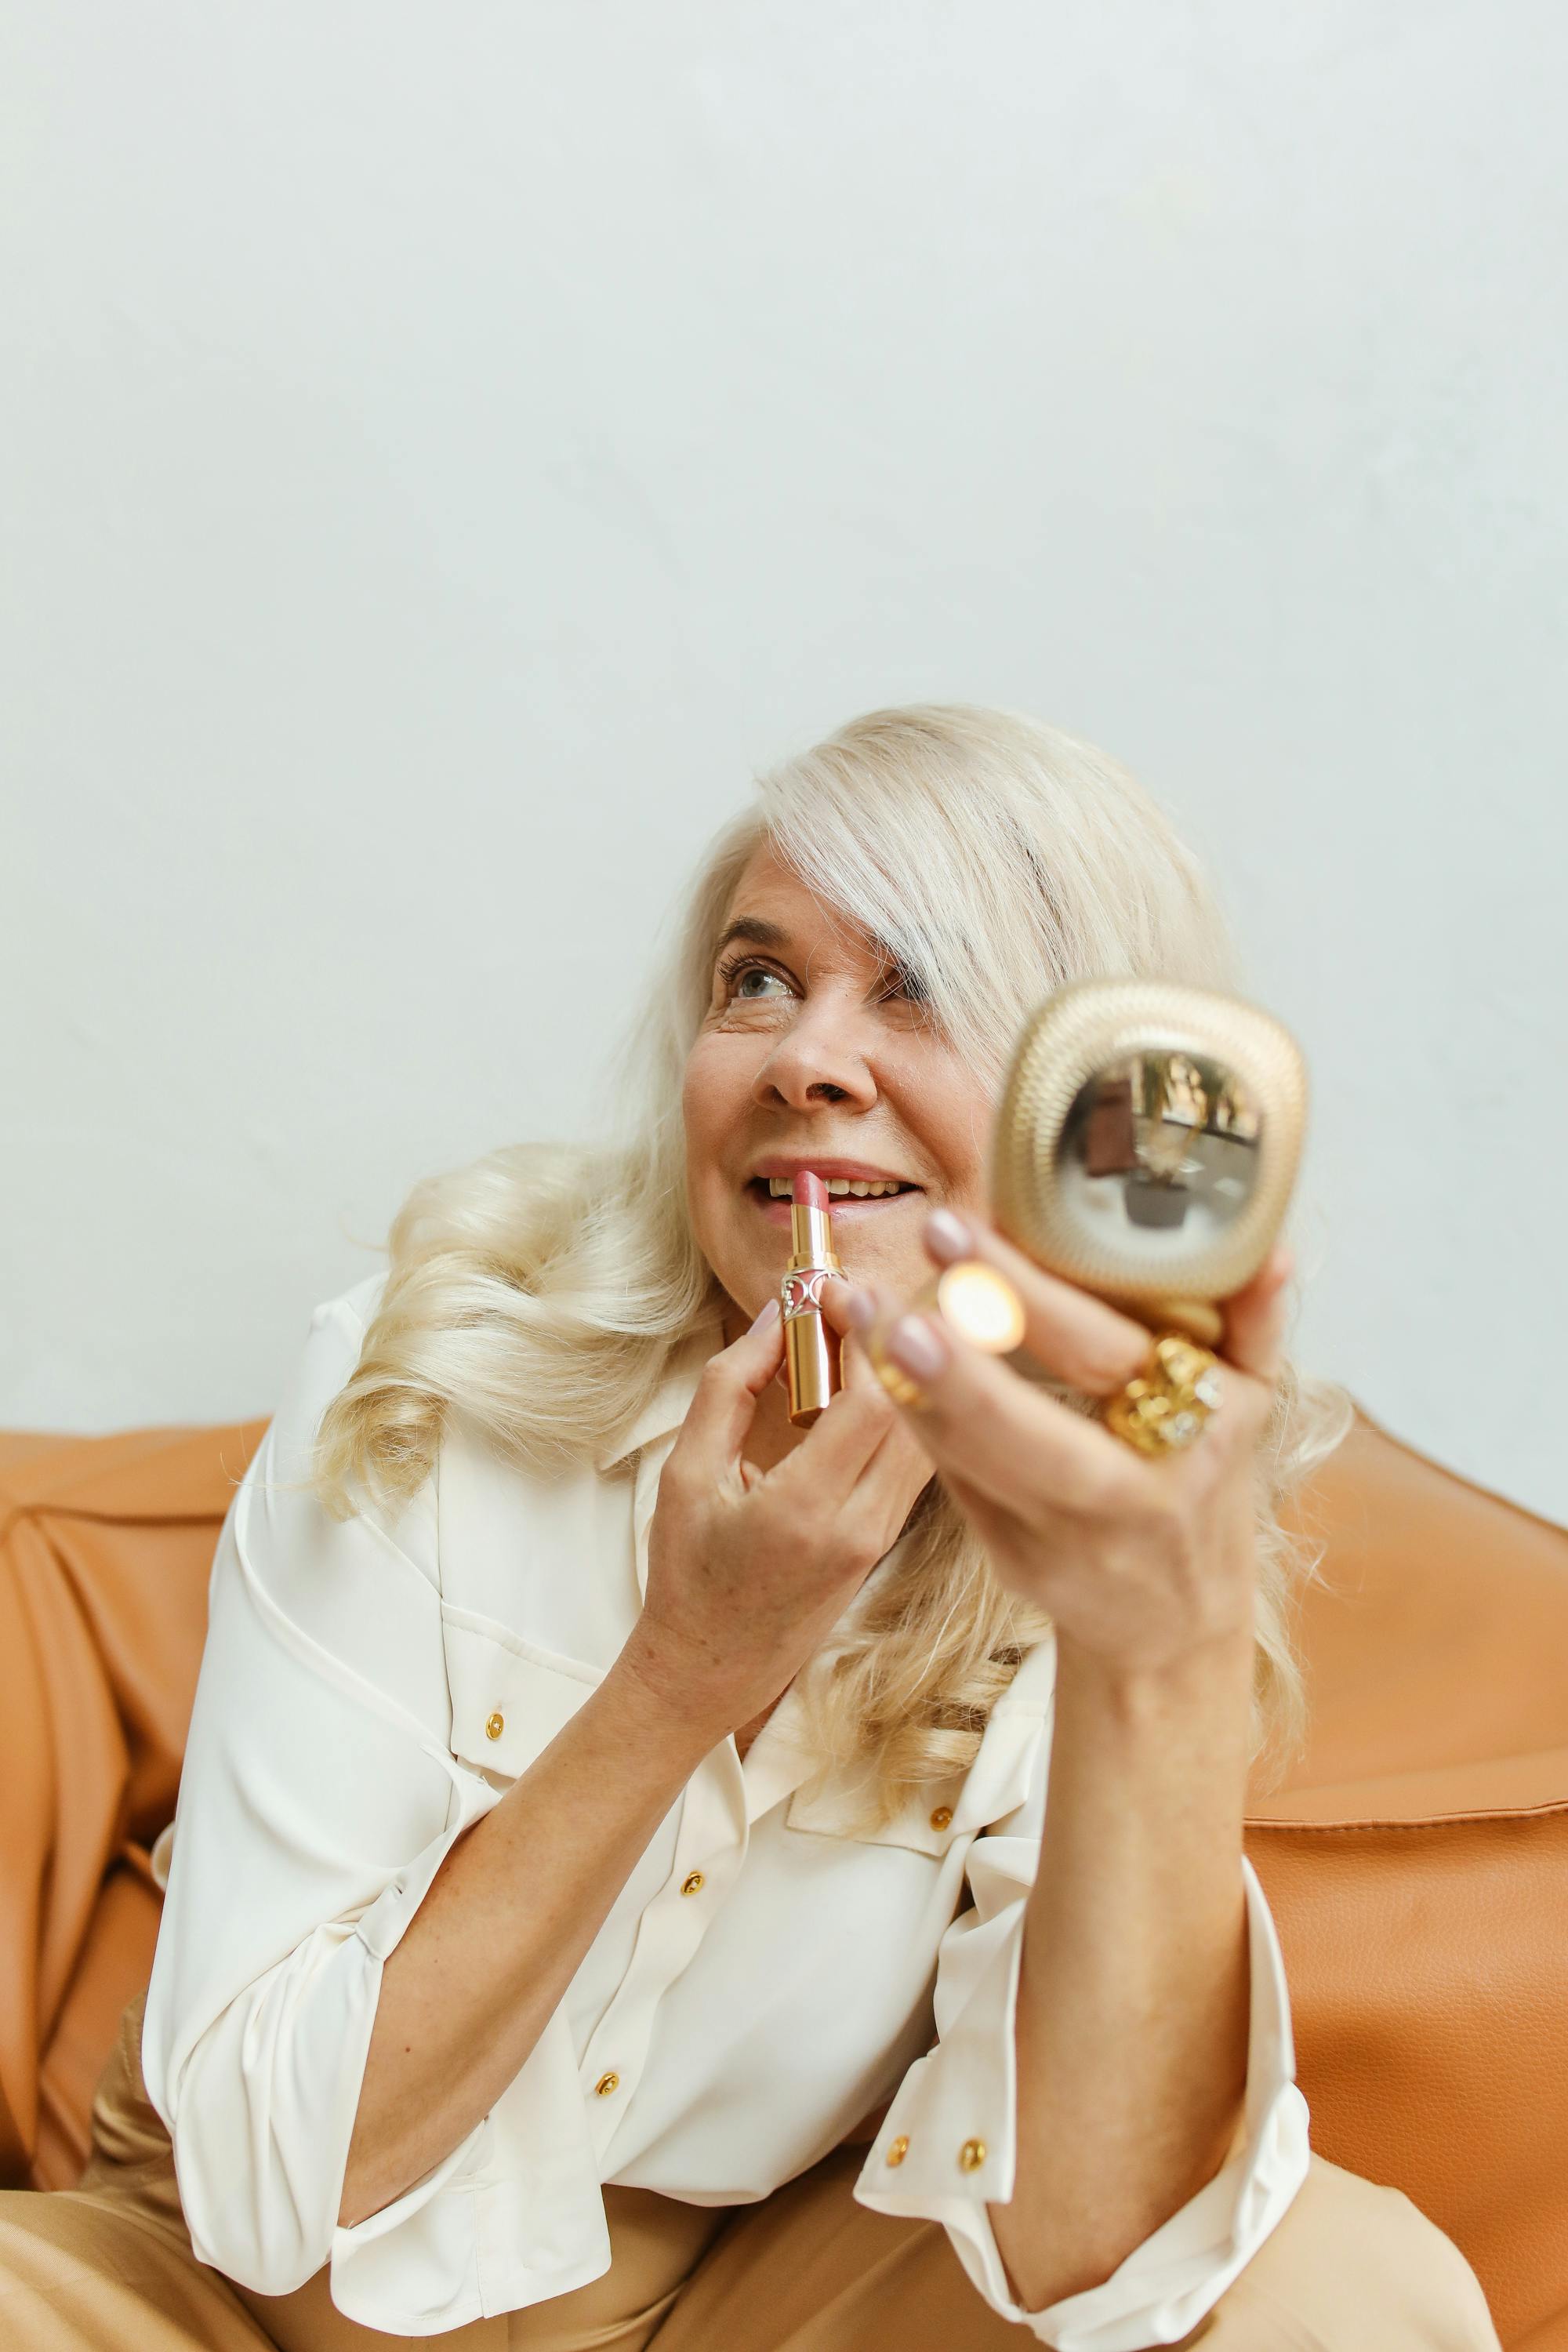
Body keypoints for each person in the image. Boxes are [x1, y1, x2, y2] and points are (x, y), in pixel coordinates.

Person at [0, 706, 1501, 2350]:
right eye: (757, 979)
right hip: (245, 2290)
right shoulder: (439, 1371)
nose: (804, 1056)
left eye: (917, 983)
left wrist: (1159, 1651)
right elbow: (261, 2179)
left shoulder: (1099, 1512)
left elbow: (1107, 2255)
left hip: (729, 2293)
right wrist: (680, 1674)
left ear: (1092, 1112)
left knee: (1344, 2292)